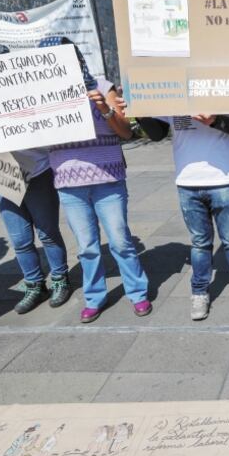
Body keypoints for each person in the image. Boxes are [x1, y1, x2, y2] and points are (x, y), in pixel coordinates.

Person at [40, 36, 151, 323]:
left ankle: (137, 293)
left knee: (120, 240)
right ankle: (94, 297)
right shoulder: (39, 94)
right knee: (87, 247)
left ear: (76, 59)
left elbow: (126, 132)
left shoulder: (101, 86)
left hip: (108, 177)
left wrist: (104, 109)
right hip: (68, 182)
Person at [0, 41, 70, 315]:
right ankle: (34, 284)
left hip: (37, 171)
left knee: (47, 233)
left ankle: (60, 279)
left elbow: (47, 134)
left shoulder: (26, 93)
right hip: (4, 174)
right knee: (19, 239)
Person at [135, 112, 229, 321]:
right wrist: (139, 113)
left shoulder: (218, 87)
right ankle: (200, 292)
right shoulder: (171, 93)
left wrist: (214, 120)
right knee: (200, 243)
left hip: (223, 180)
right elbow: (158, 134)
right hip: (187, 183)